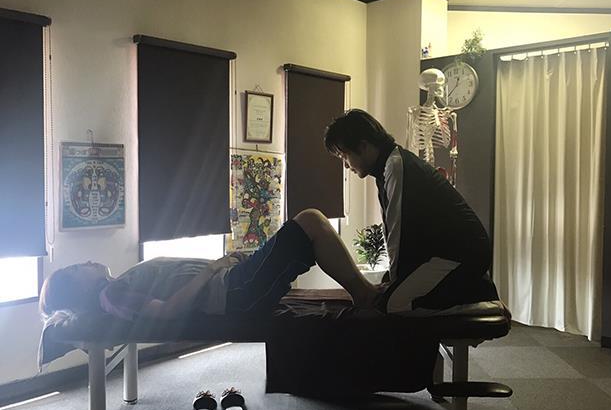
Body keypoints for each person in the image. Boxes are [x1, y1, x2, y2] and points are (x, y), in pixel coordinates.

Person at [39, 209, 380, 322]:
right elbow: (166, 312)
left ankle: (364, 291)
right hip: (234, 292)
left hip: (232, 282)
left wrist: (224, 264)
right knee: (310, 222)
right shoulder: (111, 295)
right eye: (76, 270)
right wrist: (211, 270)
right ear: (79, 289)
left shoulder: (116, 288)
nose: (86, 262)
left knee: (310, 224)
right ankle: (365, 294)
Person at [324, 109, 497, 313]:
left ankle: (482, 302)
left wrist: (393, 286)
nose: (345, 165)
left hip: (462, 254)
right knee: (389, 294)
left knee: (393, 305)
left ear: (363, 146)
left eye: (344, 156)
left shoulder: (396, 166)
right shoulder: (388, 167)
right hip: (442, 253)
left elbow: (398, 235)